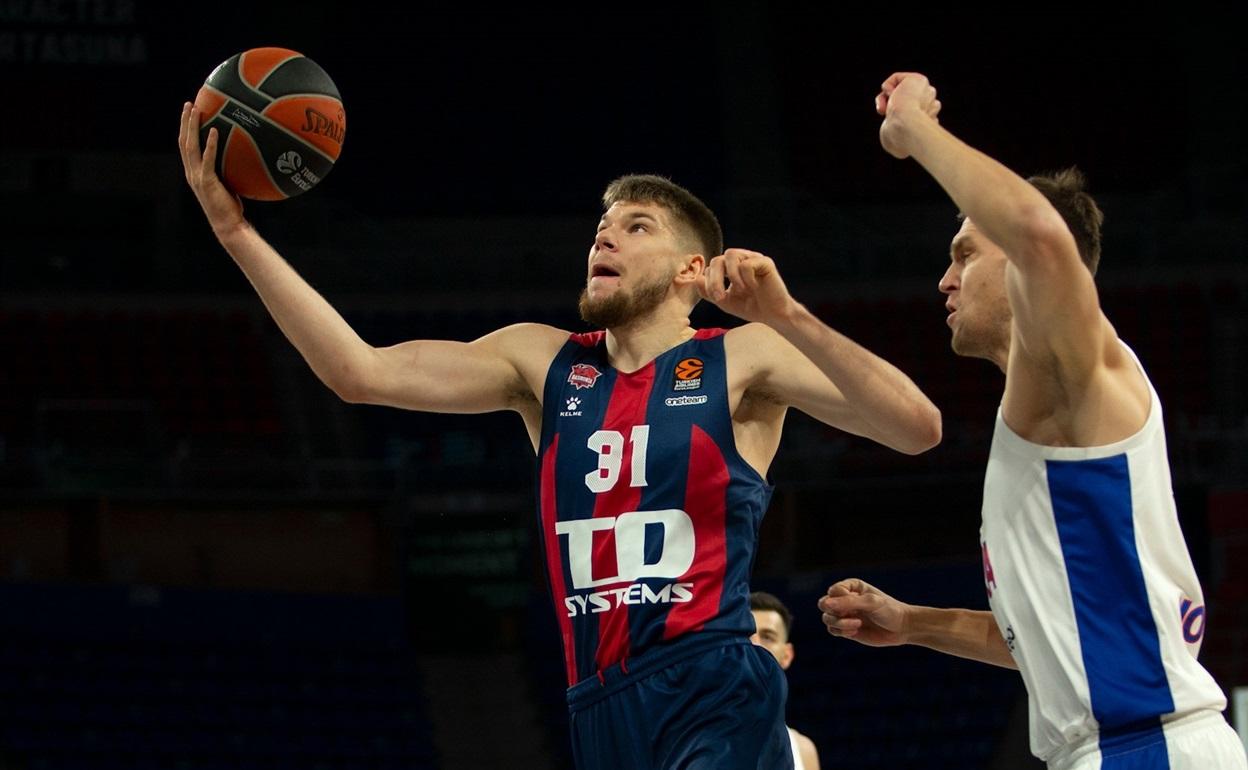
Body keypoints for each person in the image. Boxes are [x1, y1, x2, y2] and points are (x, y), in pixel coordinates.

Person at [178, 103, 941, 769]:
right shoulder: (542, 362)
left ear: (692, 269)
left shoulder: (741, 357)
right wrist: (234, 231)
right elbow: (359, 372)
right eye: (601, 228)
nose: (602, 240)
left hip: (711, 678)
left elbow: (915, 428)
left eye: (634, 227)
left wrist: (788, 317)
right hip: (597, 702)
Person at [819, 72, 1248, 770]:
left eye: (964, 254)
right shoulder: (1041, 417)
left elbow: (1044, 239)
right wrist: (912, 624)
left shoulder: (1081, 373)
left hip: (1145, 748)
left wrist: (915, 131)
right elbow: (1042, 639)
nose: (945, 279)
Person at [750, 591, 821, 770]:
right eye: (747, 634)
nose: (755, 645)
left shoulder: (804, 750)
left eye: (767, 637)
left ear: (787, 655)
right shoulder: (693, 739)